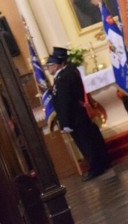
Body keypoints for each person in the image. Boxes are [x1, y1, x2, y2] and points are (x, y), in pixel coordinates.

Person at [45, 47, 110, 181]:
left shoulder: (64, 77)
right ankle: (102, 162)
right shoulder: (68, 72)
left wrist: (66, 123)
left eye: (49, 65)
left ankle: (95, 167)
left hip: (75, 117)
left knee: (86, 143)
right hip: (78, 115)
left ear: (57, 64)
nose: (48, 68)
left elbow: (65, 101)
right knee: (91, 139)